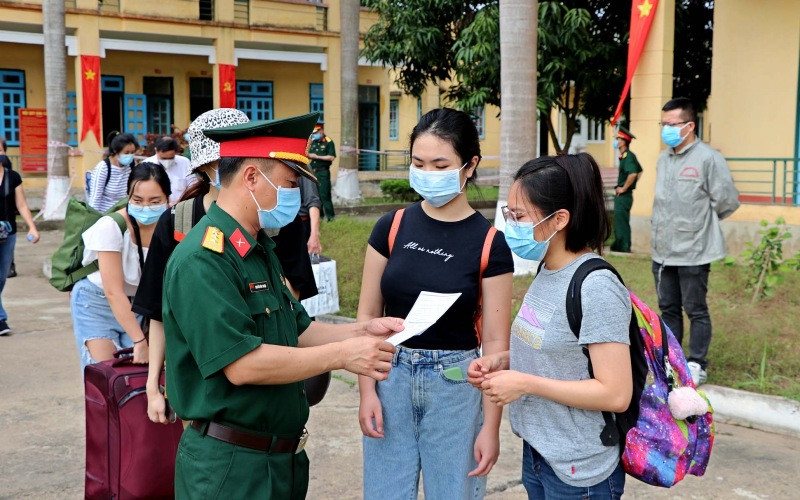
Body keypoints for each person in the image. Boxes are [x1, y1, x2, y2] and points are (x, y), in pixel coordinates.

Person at [162, 112, 403, 499]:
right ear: (252, 177)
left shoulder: (257, 247)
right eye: (289, 184)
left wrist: (361, 330)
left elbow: (299, 329)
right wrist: (342, 355)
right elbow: (242, 365)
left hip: (279, 461)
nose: (296, 196)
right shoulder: (204, 259)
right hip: (230, 469)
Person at [358, 108, 514, 500]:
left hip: (456, 387)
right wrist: (366, 393)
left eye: (440, 164)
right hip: (388, 376)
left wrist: (490, 427)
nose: (427, 172)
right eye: (418, 163)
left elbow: (496, 343)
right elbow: (366, 317)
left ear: (469, 164)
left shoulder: (490, 243)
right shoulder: (390, 228)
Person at [469, 153, 633, 500]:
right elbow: (564, 354)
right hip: (540, 454)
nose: (509, 226)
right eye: (508, 215)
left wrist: (525, 382)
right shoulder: (549, 270)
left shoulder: (596, 287)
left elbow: (616, 393)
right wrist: (506, 363)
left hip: (581, 471)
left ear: (559, 219)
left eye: (518, 216)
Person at [132, 108, 251, 424]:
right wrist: (153, 386)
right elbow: (159, 312)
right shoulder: (176, 222)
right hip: (195, 383)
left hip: (260, 377)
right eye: (224, 162)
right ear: (206, 167)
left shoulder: (271, 222)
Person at [653, 97, 740, 386]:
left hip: (694, 251)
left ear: (689, 126)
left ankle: (697, 362)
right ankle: (672, 360)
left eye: (671, 124)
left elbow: (726, 201)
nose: (666, 129)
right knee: (668, 309)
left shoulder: (708, 158)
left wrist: (698, 225)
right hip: (663, 252)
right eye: (663, 124)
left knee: (696, 309)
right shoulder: (664, 159)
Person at [70, 162, 171, 368]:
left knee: (137, 380)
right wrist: (139, 341)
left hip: (140, 305)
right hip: (97, 303)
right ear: (128, 197)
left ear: (168, 198)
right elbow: (113, 292)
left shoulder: (171, 225)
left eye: (155, 201)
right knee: (105, 374)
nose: (146, 208)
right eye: (138, 200)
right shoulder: (111, 226)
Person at [0, 164, 39, 335]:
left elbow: (21, 205)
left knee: (1, 276)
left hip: (8, 234)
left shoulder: (12, 177)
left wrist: (32, 227)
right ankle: (1, 319)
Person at [87, 132, 139, 213]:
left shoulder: (132, 165)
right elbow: (95, 199)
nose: (130, 155)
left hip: (125, 214)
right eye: (126, 153)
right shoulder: (103, 168)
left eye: (132, 152)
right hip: (106, 215)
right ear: (116, 151)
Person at [610, 126, 643, 253]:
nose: (616, 141)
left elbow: (634, 173)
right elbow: (639, 171)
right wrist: (631, 184)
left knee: (621, 221)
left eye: (618, 139)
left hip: (624, 195)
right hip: (625, 195)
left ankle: (623, 247)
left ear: (624, 141)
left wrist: (624, 187)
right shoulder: (625, 156)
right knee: (620, 220)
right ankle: (619, 245)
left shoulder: (628, 156)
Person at [145, 136, 195, 205]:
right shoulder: (146, 165)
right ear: (156, 150)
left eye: (171, 158)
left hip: (180, 207)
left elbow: (193, 188)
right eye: (163, 158)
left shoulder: (184, 163)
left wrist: (180, 201)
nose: (167, 161)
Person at [308, 121, 336, 221]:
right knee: (315, 195)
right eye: (314, 133)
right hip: (313, 172)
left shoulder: (328, 142)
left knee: (324, 195)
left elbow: (331, 157)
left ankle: (331, 217)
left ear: (322, 130)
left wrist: (317, 157)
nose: (315, 135)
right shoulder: (313, 142)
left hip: (323, 172)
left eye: (316, 132)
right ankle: (319, 217)